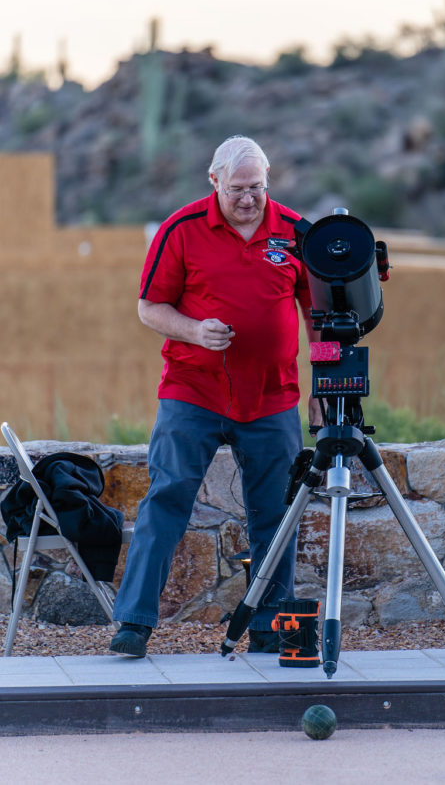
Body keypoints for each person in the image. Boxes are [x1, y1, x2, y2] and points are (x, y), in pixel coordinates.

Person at [110, 135, 320, 658]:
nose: (248, 199)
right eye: (237, 189)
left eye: (257, 188)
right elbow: (149, 307)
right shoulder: (181, 230)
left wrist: (322, 387)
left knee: (276, 512)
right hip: (193, 391)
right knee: (168, 497)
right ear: (214, 182)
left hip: (272, 397)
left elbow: (317, 315)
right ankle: (134, 623)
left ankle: (270, 625)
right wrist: (194, 331)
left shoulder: (295, 232)